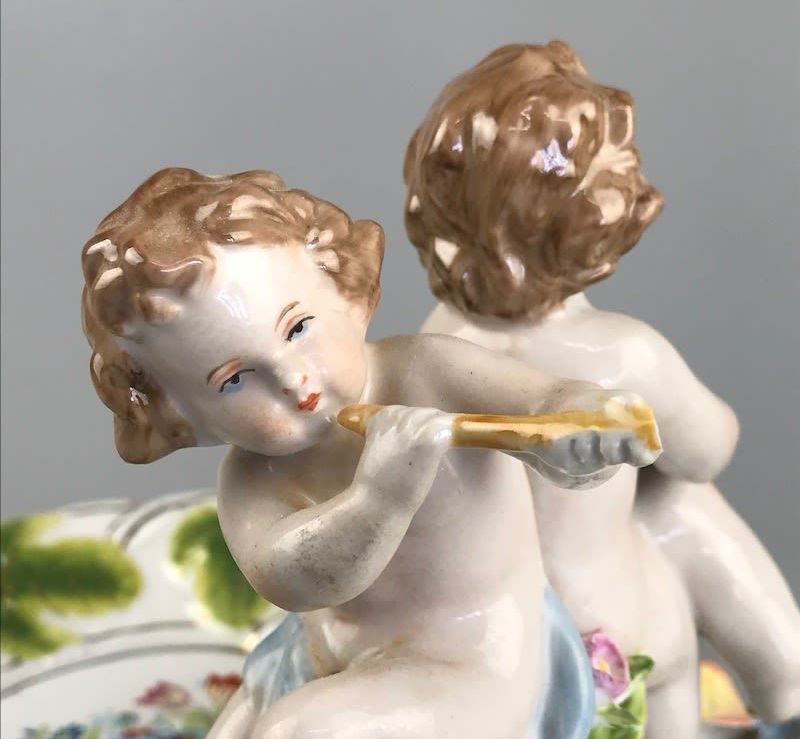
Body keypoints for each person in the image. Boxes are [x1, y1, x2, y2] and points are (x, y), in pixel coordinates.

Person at [81, 167, 654, 738]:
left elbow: (545, 404)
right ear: (182, 418)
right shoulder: (251, 479)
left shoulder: (430, 373)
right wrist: (380, 498)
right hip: (325, 654)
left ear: (341, 290)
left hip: (474, 654)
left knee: (300, 734)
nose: (294, 381)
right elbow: (296, 580)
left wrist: (588, 422)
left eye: (297, 328)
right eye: (233, 380)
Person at [405, 41, 800, 738]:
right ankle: (785, 677)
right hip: (598, 633)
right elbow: (707, 449)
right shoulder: (622, 354)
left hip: (463, 632)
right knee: (680, 499)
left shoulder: (432, 347)